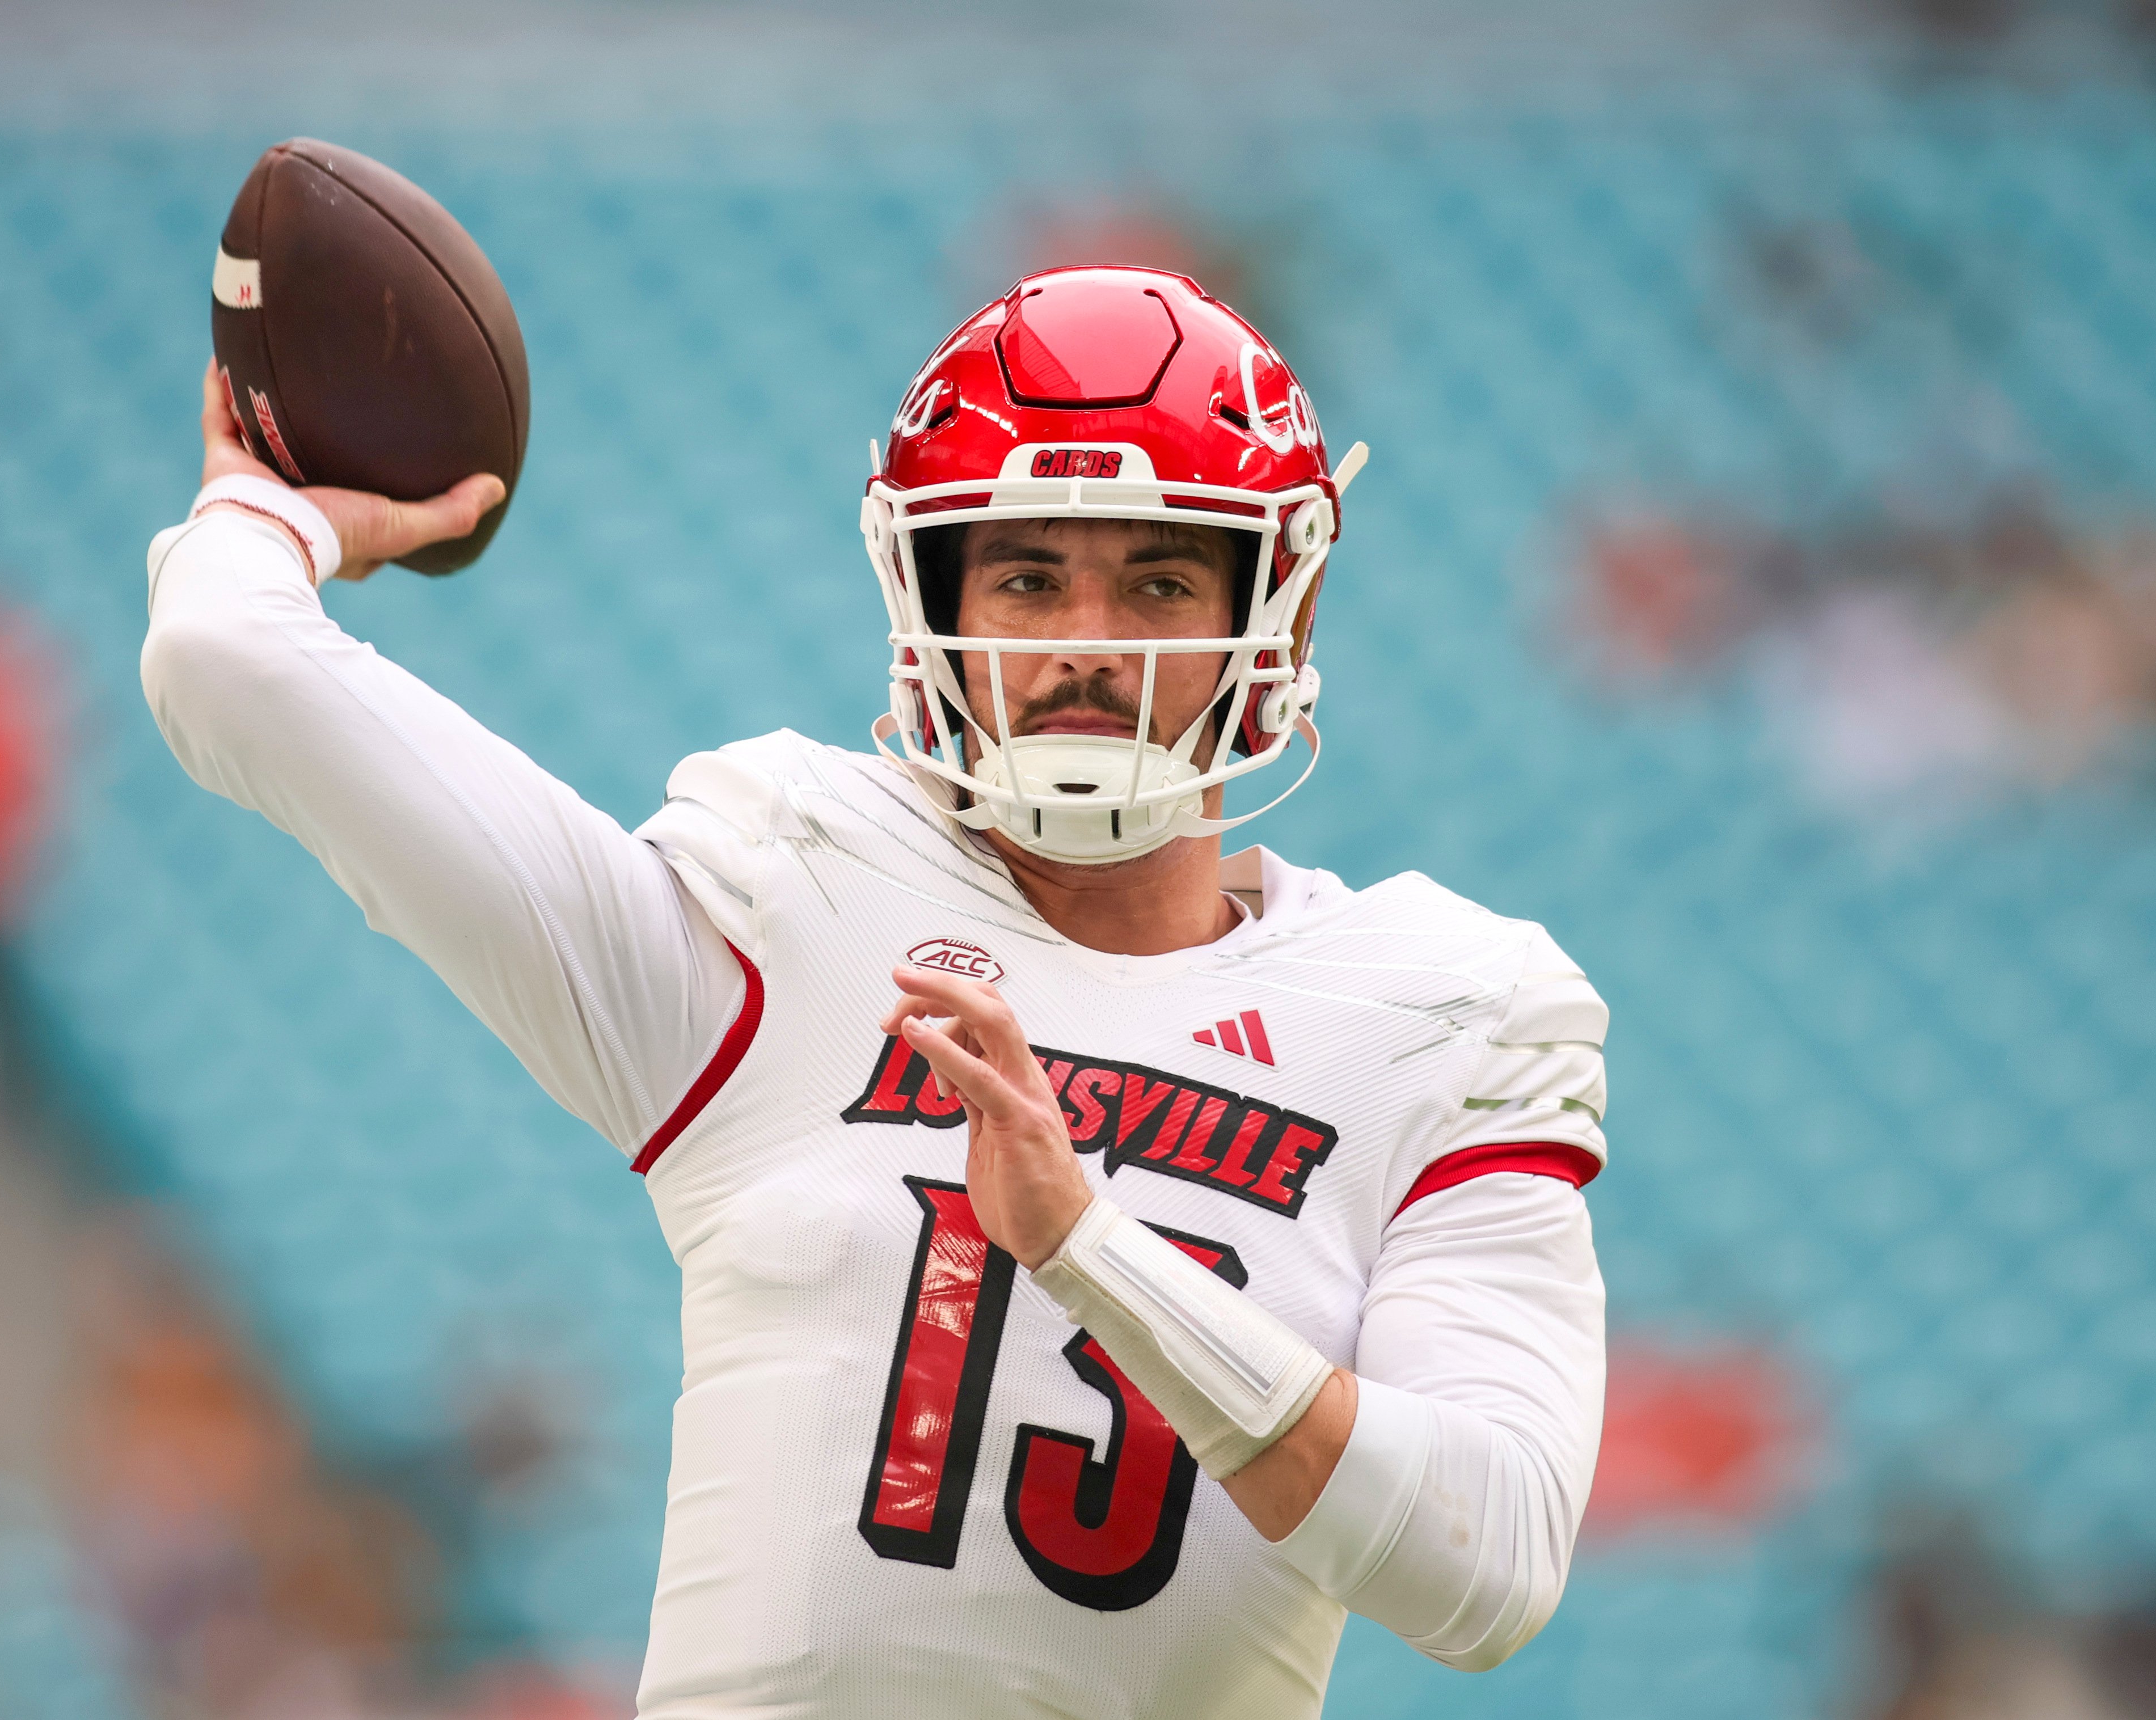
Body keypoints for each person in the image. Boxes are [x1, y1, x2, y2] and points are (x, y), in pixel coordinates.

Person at [144, 265, 1609, 1718]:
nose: (1084, 644)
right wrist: (273, 515)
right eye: (1027, 578)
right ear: (928, 597)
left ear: (1276, 615)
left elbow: (1485, 1569)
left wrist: (1088, 1246)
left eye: (1159, 581)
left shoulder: (1438, 1012)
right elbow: (224, 656)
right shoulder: (798, 891)